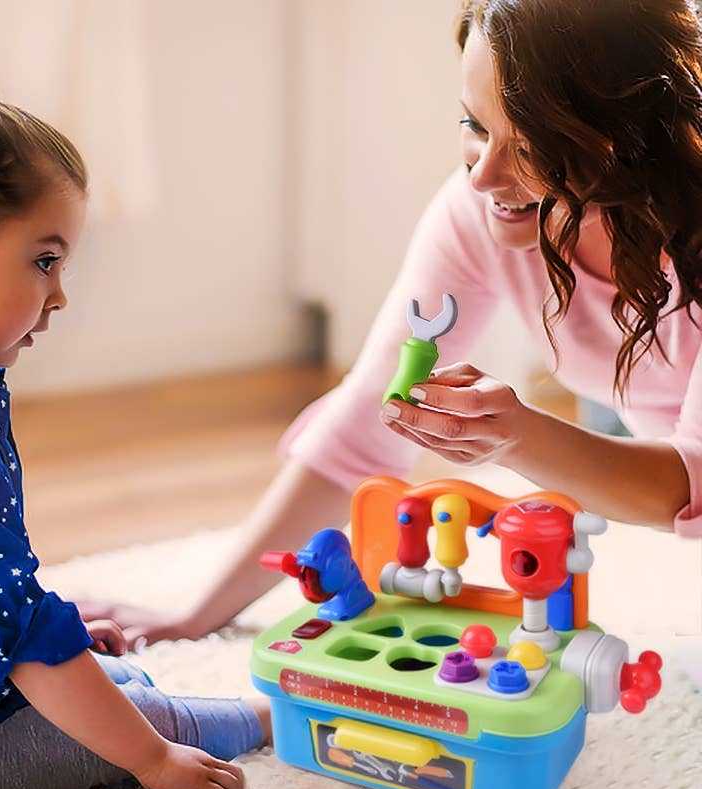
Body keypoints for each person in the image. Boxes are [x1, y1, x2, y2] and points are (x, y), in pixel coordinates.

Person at [80, 0, 702, 649]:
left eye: (532, 146)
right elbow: (366, 424)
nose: (482, 175)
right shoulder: (478, 211)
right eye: (474, 125)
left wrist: (517, 436)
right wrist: (194, 617)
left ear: (631, 136)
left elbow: (684, 487)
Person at [0, 11, 268, 789]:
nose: (59, 296)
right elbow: (27, 637)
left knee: (98, 679)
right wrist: (153, 764)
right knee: (140, 723)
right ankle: (263, 716)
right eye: (43, 261)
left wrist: (42, 637)